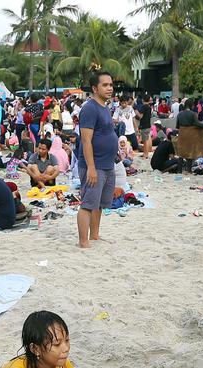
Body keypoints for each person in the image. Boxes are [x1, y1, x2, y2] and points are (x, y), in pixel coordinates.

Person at [76, 71, 118, 249]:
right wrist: (91, 167)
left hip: (108, 164)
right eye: (105, 85)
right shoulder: (90, 108)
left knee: (99, 203)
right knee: (88, 204)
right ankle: (83, 241)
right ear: (95, 88)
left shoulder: (105, 107)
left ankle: (94, 235)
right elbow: (85, 140)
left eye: (110, 85)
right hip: (94, 165)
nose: (109, 88)